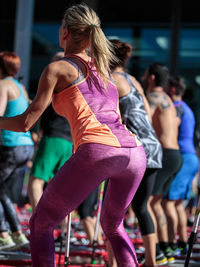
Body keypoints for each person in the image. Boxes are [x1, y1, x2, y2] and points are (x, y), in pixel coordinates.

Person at [0, 4, 146, 267]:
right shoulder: (105, 73)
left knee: (40, 223)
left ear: (64, 32)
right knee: (113, 226)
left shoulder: (58, 68)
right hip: (134, 152)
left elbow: (25, 123)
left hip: (98, 148)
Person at [109, 39, 163, 267]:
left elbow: (108, 115)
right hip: (152, 146)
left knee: (114, 211)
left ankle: (113, 262)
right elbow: (148, 116)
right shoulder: (133, 81)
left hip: (135, 149)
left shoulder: (112, 80)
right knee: (141, 207)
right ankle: (152, 260)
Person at [141, 63, 182, 263]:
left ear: (151, 78)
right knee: (156, 203)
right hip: (175, 154)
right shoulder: (169, 100)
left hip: (165, 154)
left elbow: (144, 122)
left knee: (146, 203)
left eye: (145, 74)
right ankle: (165, 249)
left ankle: (155, 251)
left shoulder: (153, 98)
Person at [28, 51, 73, 212]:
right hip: (69, 140)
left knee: (35, 181)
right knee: (59, 187)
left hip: (54, 138)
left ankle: (40, 223)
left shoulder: (54, 83)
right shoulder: (73, 84)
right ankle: (57, 226)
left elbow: (37, 109)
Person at [0, 51, 34, 249]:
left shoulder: (3, 85)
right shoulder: (20, 87)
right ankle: (16, 233)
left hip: (11, 145)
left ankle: (4, 234)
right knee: (3, 191)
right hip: (25, 145)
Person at [163, 76, 199, 255]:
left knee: (168, 203)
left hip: (183, 156)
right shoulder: (187, 108)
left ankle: (171, 244)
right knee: (177, 205)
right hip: (190, 157)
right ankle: (182, 243)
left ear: (171, 90)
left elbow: (170, 129)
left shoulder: (176, 108)